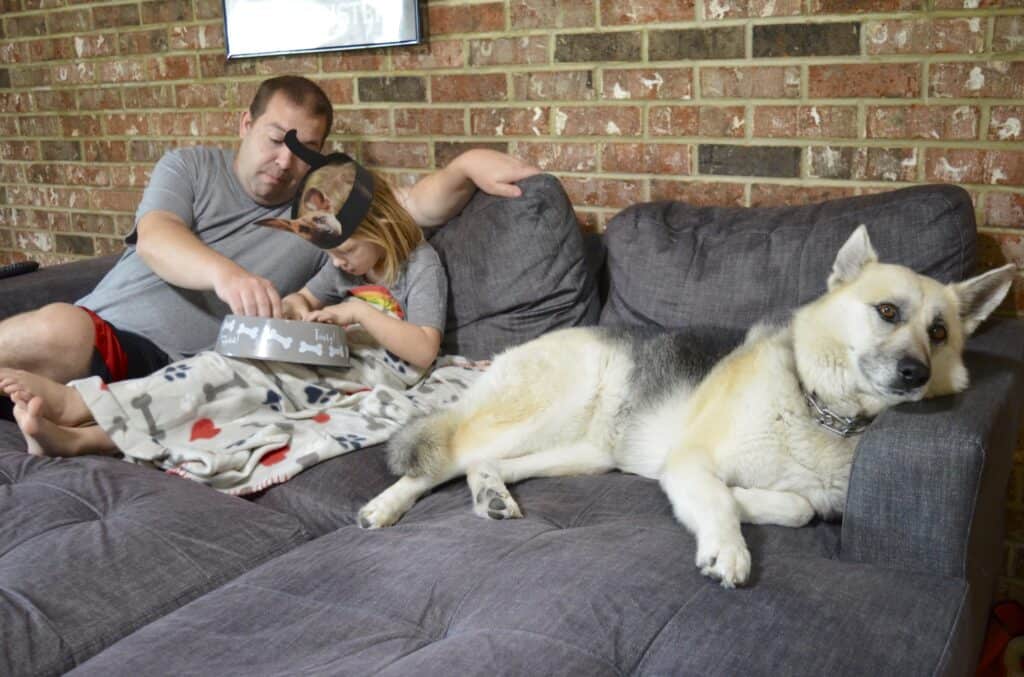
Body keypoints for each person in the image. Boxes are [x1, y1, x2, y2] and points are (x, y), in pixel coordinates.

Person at [0, 74, 538, 391]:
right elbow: (158, 234)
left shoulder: (321, 218)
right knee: (63, 331)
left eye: (303, 151)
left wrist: (466, 164)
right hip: (98, 328)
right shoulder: (189, 167)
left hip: (169, 369)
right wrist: (225, 275)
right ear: (245, 124)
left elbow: (410, 209)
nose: (284, 162)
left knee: (60, 359)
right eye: (275, 139)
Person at [0, 145, 448, 461]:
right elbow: (303, 297)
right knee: (208, 374)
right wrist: (295, 313)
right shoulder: (345, 267)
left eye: (345, 251)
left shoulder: (419, 266)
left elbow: (425, 349)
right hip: (314, 363)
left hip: (360, 375)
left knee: (221, 390)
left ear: (383, 225)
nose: (338, 264)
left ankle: (79, 412)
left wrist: (357, 313)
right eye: (330, 254)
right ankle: (82, 432)